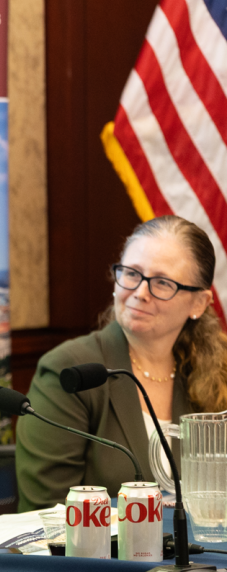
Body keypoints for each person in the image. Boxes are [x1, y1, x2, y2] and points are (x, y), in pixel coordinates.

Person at [17, 215, 227, 509]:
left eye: (162, 283)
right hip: (98, 555)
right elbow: (46, 513)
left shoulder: (217, 372)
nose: (140, 293)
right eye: (132, 274)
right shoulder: (69, 371)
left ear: (198, 304)